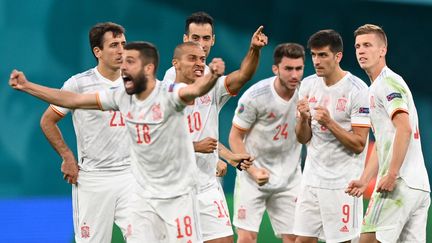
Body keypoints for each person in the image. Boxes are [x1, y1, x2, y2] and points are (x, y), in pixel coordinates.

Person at [9, 41, 225, 242]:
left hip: (177, 196)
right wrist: (28, 86)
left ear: (148, 68)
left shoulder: (169, 94)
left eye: (130, 61)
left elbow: (195, 90)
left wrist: (212, 77)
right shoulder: (121, 95)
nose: (123, 67)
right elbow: (73, 99)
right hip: (142, 197)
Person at [163, 11, 267, 243]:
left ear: (213, 40)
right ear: (184, 39)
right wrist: (196, 147)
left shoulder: (211, 78)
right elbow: (161, 142)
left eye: (206, 38)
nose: (201, 44)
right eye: (195, 38)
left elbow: (241, 77)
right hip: (175, 186)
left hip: (207, 183)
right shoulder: (170, 82)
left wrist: (254, 50)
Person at [39, 22, 132, 243]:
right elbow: (47, 121)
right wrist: (67, 156)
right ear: (97, 51)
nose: (121, 50)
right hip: (94, 179)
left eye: (123, 44)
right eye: (113, 45)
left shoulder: (137, 82)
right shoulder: (79, 84)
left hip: (132, 176)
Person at [346, 24, 430, 243]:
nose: (361, 51)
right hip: (418, 186)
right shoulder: (375, 87)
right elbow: (385, 141)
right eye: (357, 47)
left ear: (382, 50)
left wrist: (392, 174)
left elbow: (404, 127)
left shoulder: (387, 83)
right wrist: (365, 180)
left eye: (367, 45)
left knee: (366, 241)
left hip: (399, 184)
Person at [294, 29, 370, 243]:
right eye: (314, 55)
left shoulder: (357, 90)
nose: (316, 61)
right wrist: (302, 118)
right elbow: (302, 138)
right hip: (311, 180)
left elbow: (359, 144)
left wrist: (329, 122)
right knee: (302, 240)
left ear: (338, 56)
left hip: (342, 184)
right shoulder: (308, 85)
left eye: (323, 55)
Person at [229, 43, 305, 243]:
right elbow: (235, 137)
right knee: (246, 238)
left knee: (295, 238)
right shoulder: (256, 96)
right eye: (288, 68)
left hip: (289, 178)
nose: (294, 75)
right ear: (275, 69)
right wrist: (253, 171)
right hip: (253, 178)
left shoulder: (307, 94)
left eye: (299, 68)